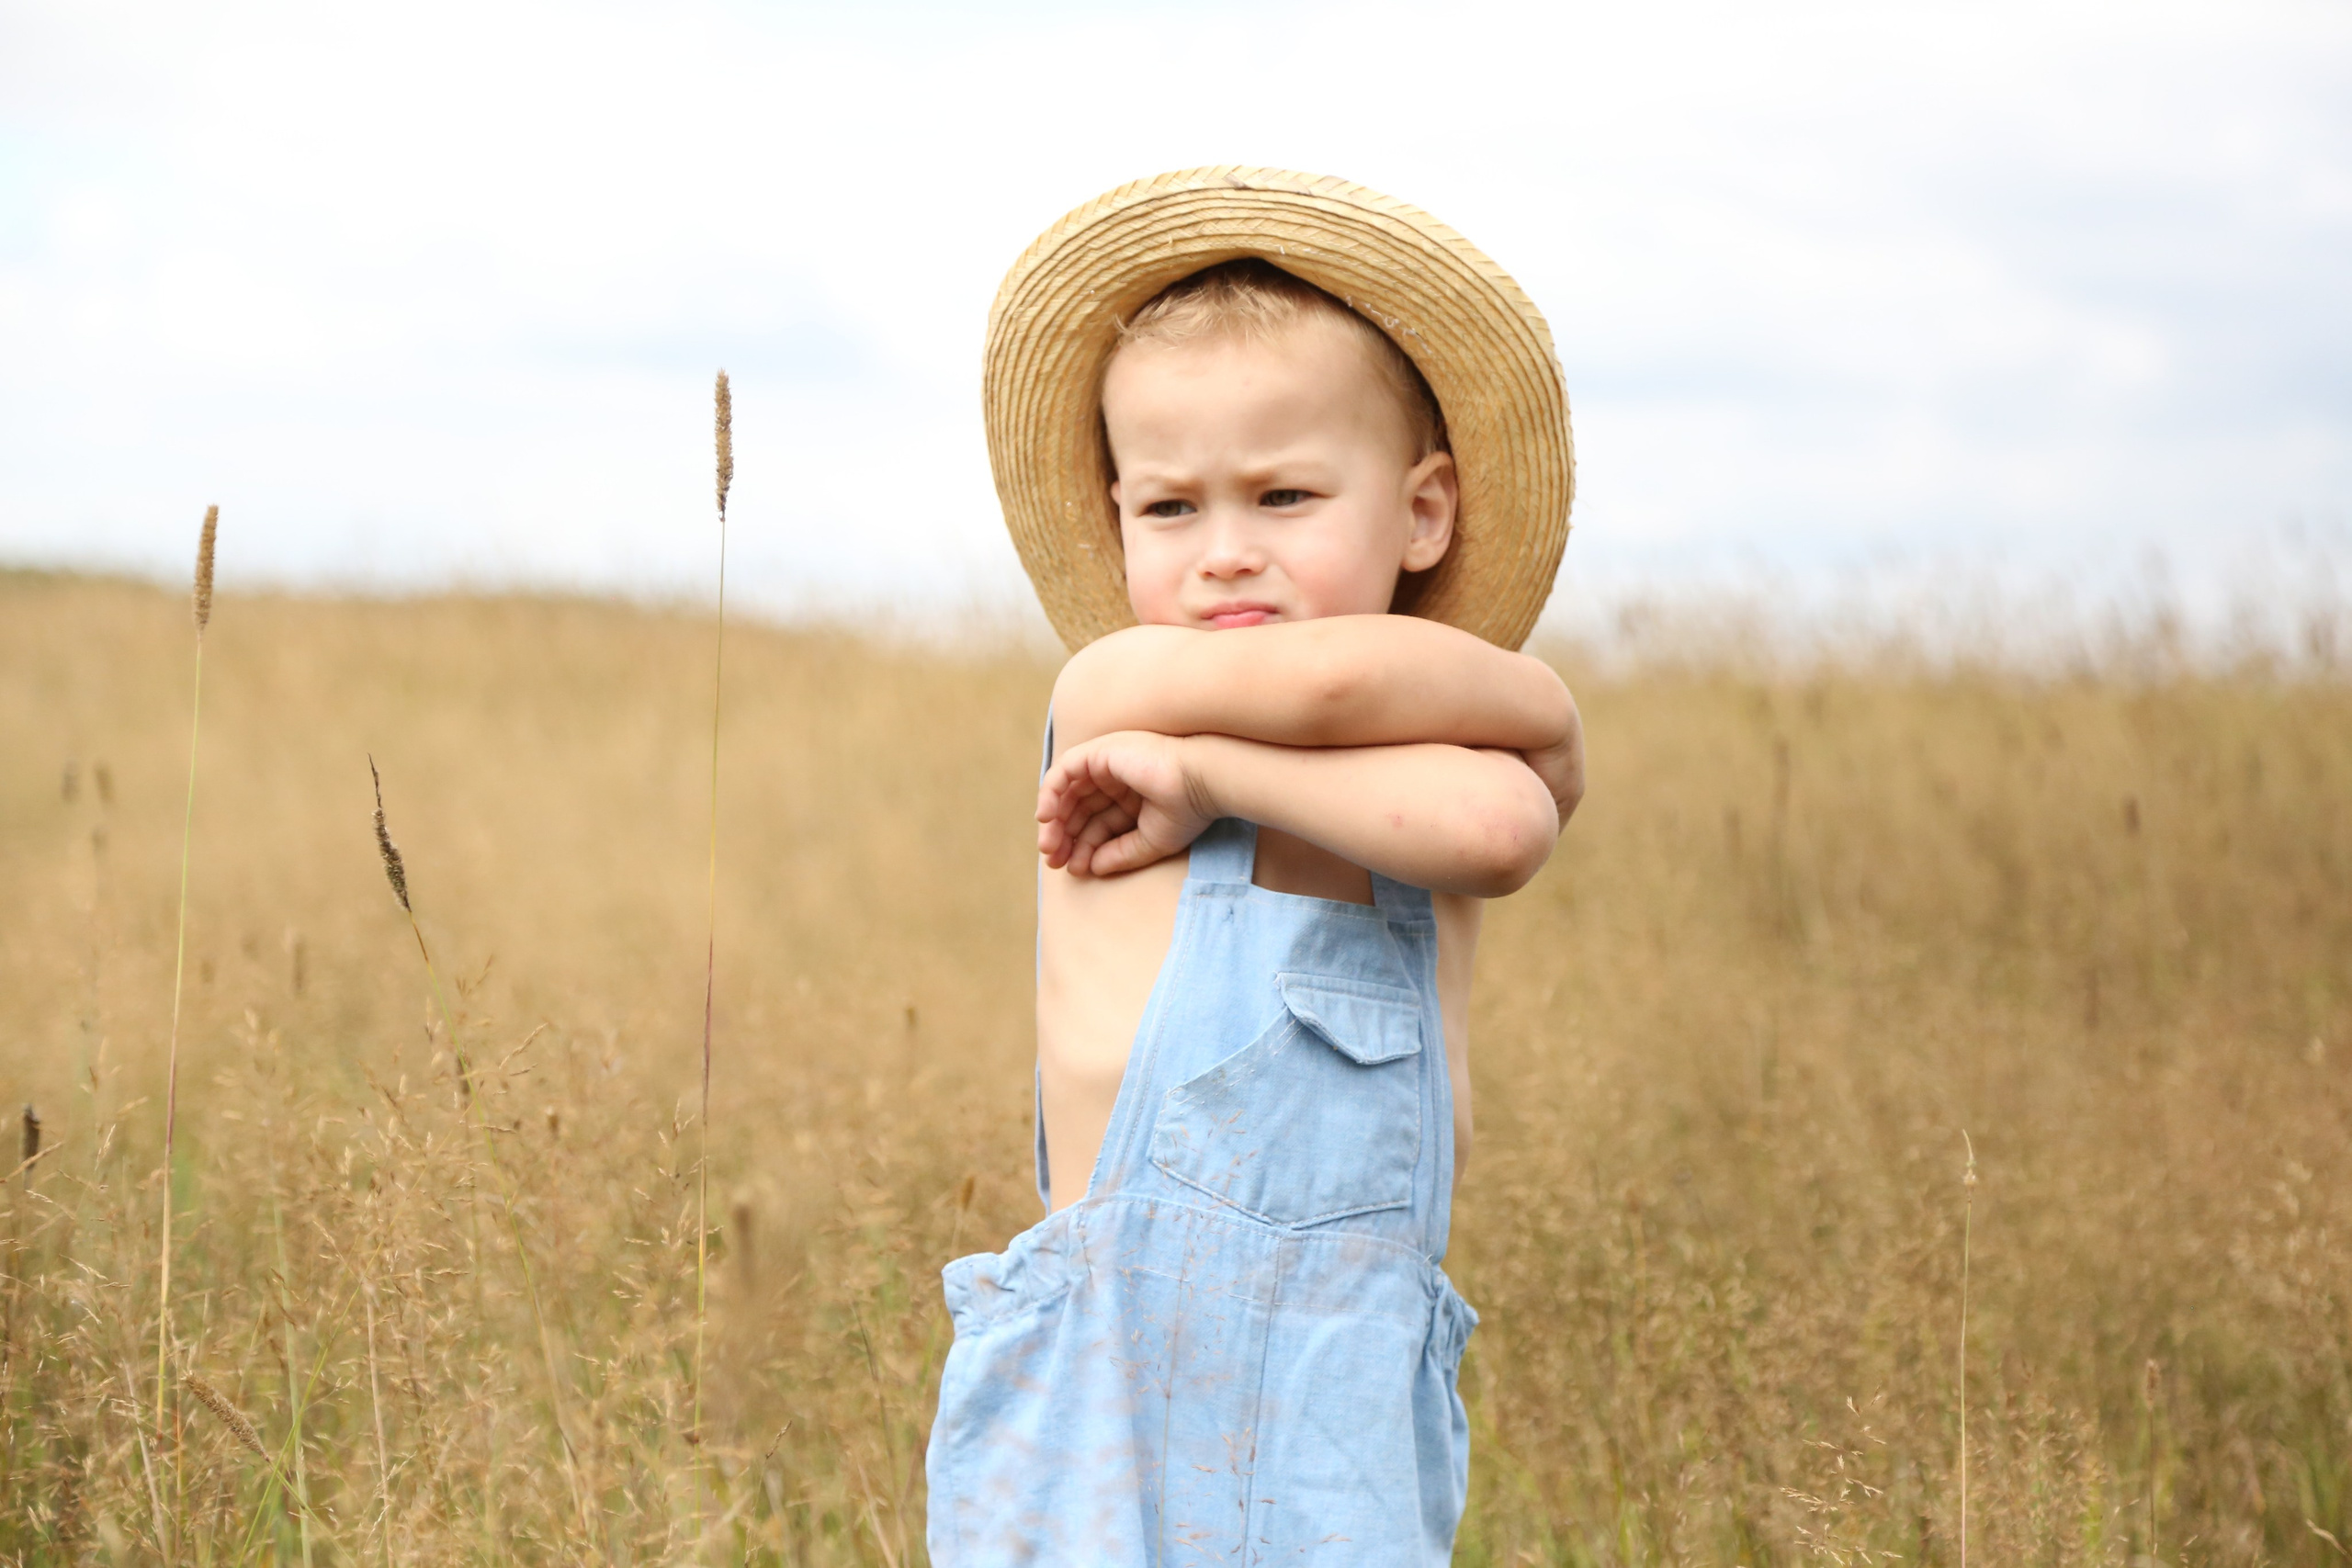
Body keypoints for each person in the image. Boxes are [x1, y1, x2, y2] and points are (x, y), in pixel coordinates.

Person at [927, 169, 1584, 1565]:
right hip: (1110, 1381)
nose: (1225, 556)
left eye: (1285, 496)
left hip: (1345, 1397)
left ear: (1423, 513)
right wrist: (1544, 711)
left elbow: (1499, 833)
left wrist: (1219, 780)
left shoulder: (1421, 755)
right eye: (1170, 510)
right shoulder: (1118, 687)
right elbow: (1349, 686)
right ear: (1117, 517)